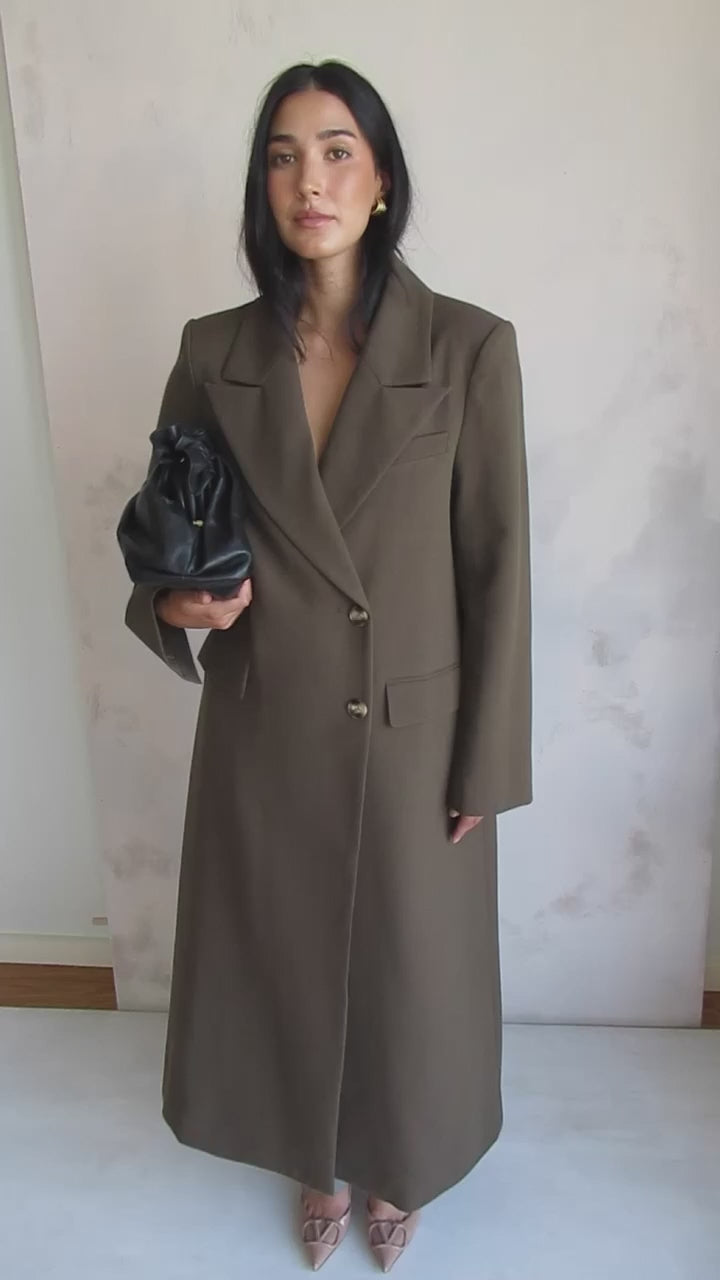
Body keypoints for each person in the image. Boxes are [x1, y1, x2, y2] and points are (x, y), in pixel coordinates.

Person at [124, 59, 533, 1273]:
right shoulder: (213, 351)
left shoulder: (469, 347)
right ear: (264, 185)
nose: (312, 179)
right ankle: (320, 1150)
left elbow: (498, 561)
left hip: (415, 730)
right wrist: (176, 604)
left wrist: (488, 761)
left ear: (383, 178)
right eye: (284, 155)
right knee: (287, 954)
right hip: (269, 717)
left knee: (409, 972)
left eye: (338, 150)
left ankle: (401, 1158)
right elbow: (168, 530)